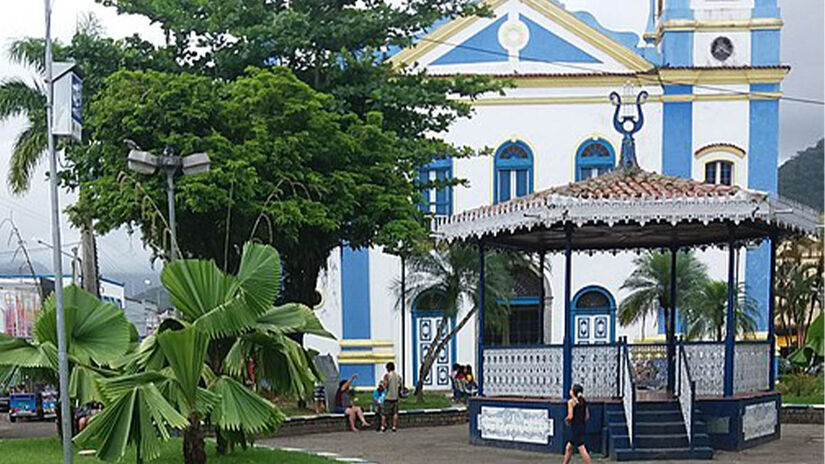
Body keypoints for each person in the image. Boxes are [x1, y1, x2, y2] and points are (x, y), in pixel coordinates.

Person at [563, 384, 592, 464]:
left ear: (573, 392)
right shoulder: (583, 401)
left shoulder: (571, 402)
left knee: (581, 447)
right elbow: (587, 416)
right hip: (582, 426)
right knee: (569, 447)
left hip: (575, 427)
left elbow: (570, 416)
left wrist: (566, 420)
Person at [380, 362, 402, 432]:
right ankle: (394, 426)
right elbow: (400, 386)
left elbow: (385, 385)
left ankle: (383, 426)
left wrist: (382, 385)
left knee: (384, 413)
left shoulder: (387, 376)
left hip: (388, 397)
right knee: (395, 413)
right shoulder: (398, 376)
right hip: (395, 397)